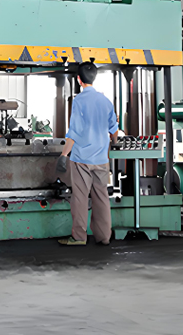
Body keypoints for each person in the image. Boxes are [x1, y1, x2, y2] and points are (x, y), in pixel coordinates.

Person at [57, 61, 117, 246]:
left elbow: (74, 132)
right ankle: (104, 236)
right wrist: (114, 144)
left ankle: (79, 237)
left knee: (80, 198)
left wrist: (63, 155)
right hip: (101, 158)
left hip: (81, 158)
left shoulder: (79, 101)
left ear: (78, 79)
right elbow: (114, 129)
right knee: (101, 197)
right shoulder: (105, 100)